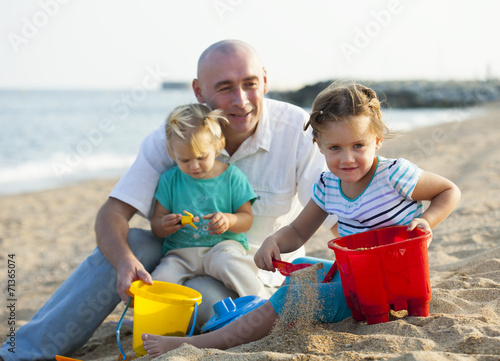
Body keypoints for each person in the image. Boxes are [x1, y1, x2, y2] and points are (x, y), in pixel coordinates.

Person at [0, 40, 335, 361]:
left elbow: (336, 210)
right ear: (199, 91)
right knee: (131, 241)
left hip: (252, 279)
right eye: (224, 87)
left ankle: (183, 322)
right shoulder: (174, 138)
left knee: (205, 294)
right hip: (180, 256)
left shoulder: (296, 129)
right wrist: (123, 262)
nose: (241, 99)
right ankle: (24, 351)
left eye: (249, 83)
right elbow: (113, 212)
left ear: (264, 80)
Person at [140, 82, 461, 357]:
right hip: (356, 279)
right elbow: (297, 230)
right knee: (306, 266)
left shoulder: (395, 174)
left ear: (377, 140)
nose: (346, 158)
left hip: (389, 285)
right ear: (318, 145)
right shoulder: (328, 185)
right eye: (335, 147)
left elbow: (449, 191)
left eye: (358, 146)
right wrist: (274, 243)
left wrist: (427, 222)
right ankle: (253, 315)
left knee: (293, 295)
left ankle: (198, 343)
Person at [150, 103, 262, 297]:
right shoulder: (170, 180)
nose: (193, 166)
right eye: (184, 160)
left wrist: (229, 220)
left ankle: (262, 304)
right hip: (180, 253)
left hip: (222, 248)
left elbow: (247, 219)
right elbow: (156, 225)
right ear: (172, 153)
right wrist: (164, 224)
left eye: (201, 157)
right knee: (160, 283)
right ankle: (156, 325)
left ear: (217, 145)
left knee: (231, 265)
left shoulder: (232, 177)